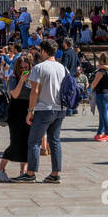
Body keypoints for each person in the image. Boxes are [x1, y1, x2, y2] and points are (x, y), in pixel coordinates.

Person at [14, 39, 66, 184]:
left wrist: (30, 111)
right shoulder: (62, 68)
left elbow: (34, 91)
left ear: (43, 51)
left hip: (44, 108)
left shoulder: (39, 68)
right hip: (60, 108)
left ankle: (30, 173)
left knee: (34, 142)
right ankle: (55, 174)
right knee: (54, 141)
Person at [0, 52, 34, 181]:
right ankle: (0, 169)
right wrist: (22, 81)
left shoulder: (33, 77)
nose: (24, 70)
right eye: (21, 68)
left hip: (28, 110)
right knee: (16, 142)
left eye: (26, 67)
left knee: (27, 143)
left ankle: (23, 171)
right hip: (16, 110)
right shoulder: (13, 78)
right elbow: (15, 94)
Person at [89, 53, 108, 141]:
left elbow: (94, 84)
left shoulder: (101, 72)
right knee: (102, 114)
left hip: (102, 94)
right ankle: (100, 132)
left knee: (103, 115)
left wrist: (89, 89)